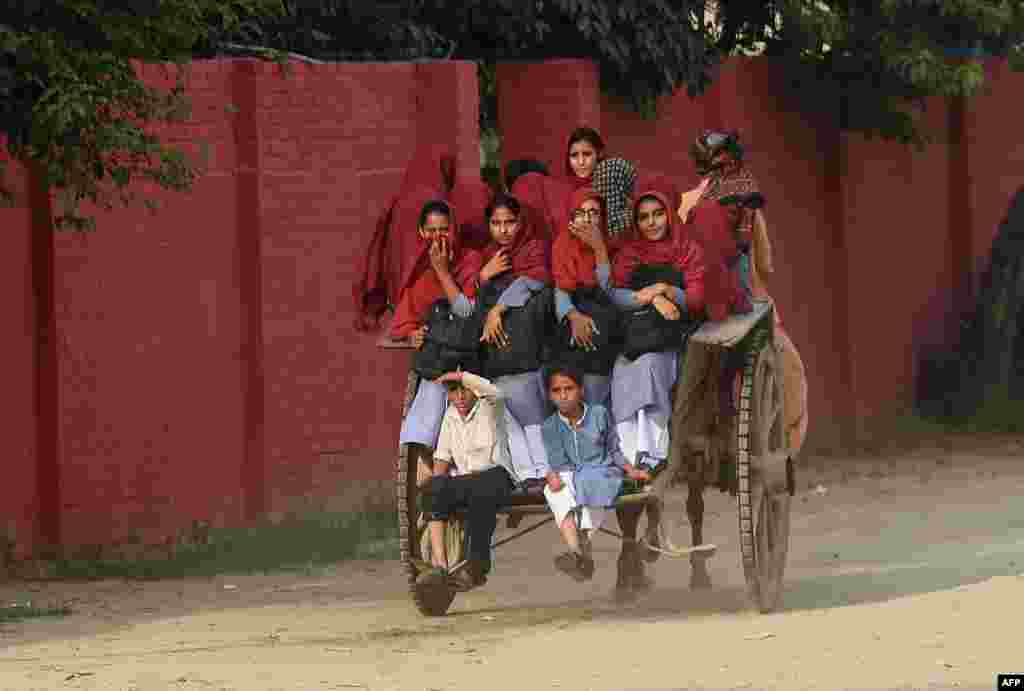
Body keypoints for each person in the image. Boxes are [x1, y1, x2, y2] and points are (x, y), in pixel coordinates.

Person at [609, 179, 707, 477]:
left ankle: (653, 454)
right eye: (643, 217)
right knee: (622, 371)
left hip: (671, 337)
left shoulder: (686, 249)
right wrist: (650, 297)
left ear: (668, 213)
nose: (651, 222)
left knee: (650, 368)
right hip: (638, 335)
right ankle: (629, 457)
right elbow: (615, 294)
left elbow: (696, 298)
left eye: (657, 214)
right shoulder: (629, 253)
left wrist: (666, 289)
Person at [541, 364, 650, 581]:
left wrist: (631, 470)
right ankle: (575, 551)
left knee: (591, 482)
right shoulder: (549, 426)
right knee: (554, 490)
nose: (563, 396)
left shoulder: (599, 413)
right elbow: (558, 462)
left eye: (569, 388)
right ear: (549, 395)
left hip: (603, 472)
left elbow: (614, 450)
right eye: (556, 391)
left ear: (581, 390)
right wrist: (551, 475)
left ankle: (582, 550)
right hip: (571, 473)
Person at [476, 193, 554, 486]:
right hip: (495, 355)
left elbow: (538, 282)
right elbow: (472, 304)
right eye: (496, 223)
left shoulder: (533, 250)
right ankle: (526, 473)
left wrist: (500, 307)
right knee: (503, 413)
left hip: (528, 348)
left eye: (510, 222)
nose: (504, 230)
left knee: (528, 406)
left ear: (521, 222)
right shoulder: (487, 258)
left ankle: (544, 472)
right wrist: (484, 277)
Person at [393, 199, 483, 451]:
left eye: (444, 229)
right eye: (431, 230)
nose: (437, 236)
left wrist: (442, 272)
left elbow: (465, 311)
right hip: (436, 363)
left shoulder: (471, 260)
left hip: (470, 358)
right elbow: (406, 316)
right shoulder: (419, 270)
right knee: (431, 399)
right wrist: (413, 333)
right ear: (421, 232)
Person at [416, 370, 516, 591]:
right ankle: (440, 568)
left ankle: (476, 569)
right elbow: (442, 457)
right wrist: (435, 490)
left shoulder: (490, 407)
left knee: (481, 493)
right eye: (453, 391)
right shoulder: (450, 415)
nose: (460, 397)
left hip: (496, 476)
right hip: (465, 480)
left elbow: (496, 393)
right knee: (434, 487)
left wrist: (460, 376)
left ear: (474, 389)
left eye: (465, 390)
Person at [551, 187, 618, 406]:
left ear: (603, 217)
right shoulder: (562, 244)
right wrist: (574, 317)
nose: (587, 219)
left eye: (594, 212)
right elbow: (561, 287)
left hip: (606, 328)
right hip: (572, 326)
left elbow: (608, 291)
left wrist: (599, 248)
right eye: (580, 213)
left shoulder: (614, 245)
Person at [564, 126, 605, 191]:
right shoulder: (562, 188)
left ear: (599, 154)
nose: (581, 162)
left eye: (587, 154)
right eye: (574, 155)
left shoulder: (611, 188)